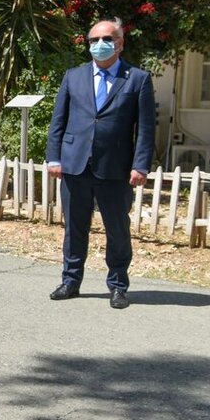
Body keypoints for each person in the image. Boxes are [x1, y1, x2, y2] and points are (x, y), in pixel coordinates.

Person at [46, 18, 155, 309]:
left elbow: (145, 128)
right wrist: (54, 158)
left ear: (120, 43)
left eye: (106, 38)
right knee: (75, 228)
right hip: (75, 165)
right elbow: (59, 121)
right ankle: (70, 281)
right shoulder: (73, 76)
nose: (99, 44)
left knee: (117, 229)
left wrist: (141, 164)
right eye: (93, 40)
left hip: (116, 168)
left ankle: (118, 285)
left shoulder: (138, 79)